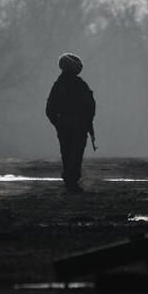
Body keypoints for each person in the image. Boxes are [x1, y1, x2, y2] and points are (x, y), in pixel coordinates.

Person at [45, 53, 96, 193]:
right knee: (76, 153)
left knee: (67, 152)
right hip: (78, 125)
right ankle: (72, 180)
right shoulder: (80, 85)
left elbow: (50, 109)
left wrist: (58, 123)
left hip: (65, 125)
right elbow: (90, 106)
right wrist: (86, 122)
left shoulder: (58, 85)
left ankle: (70, 180)